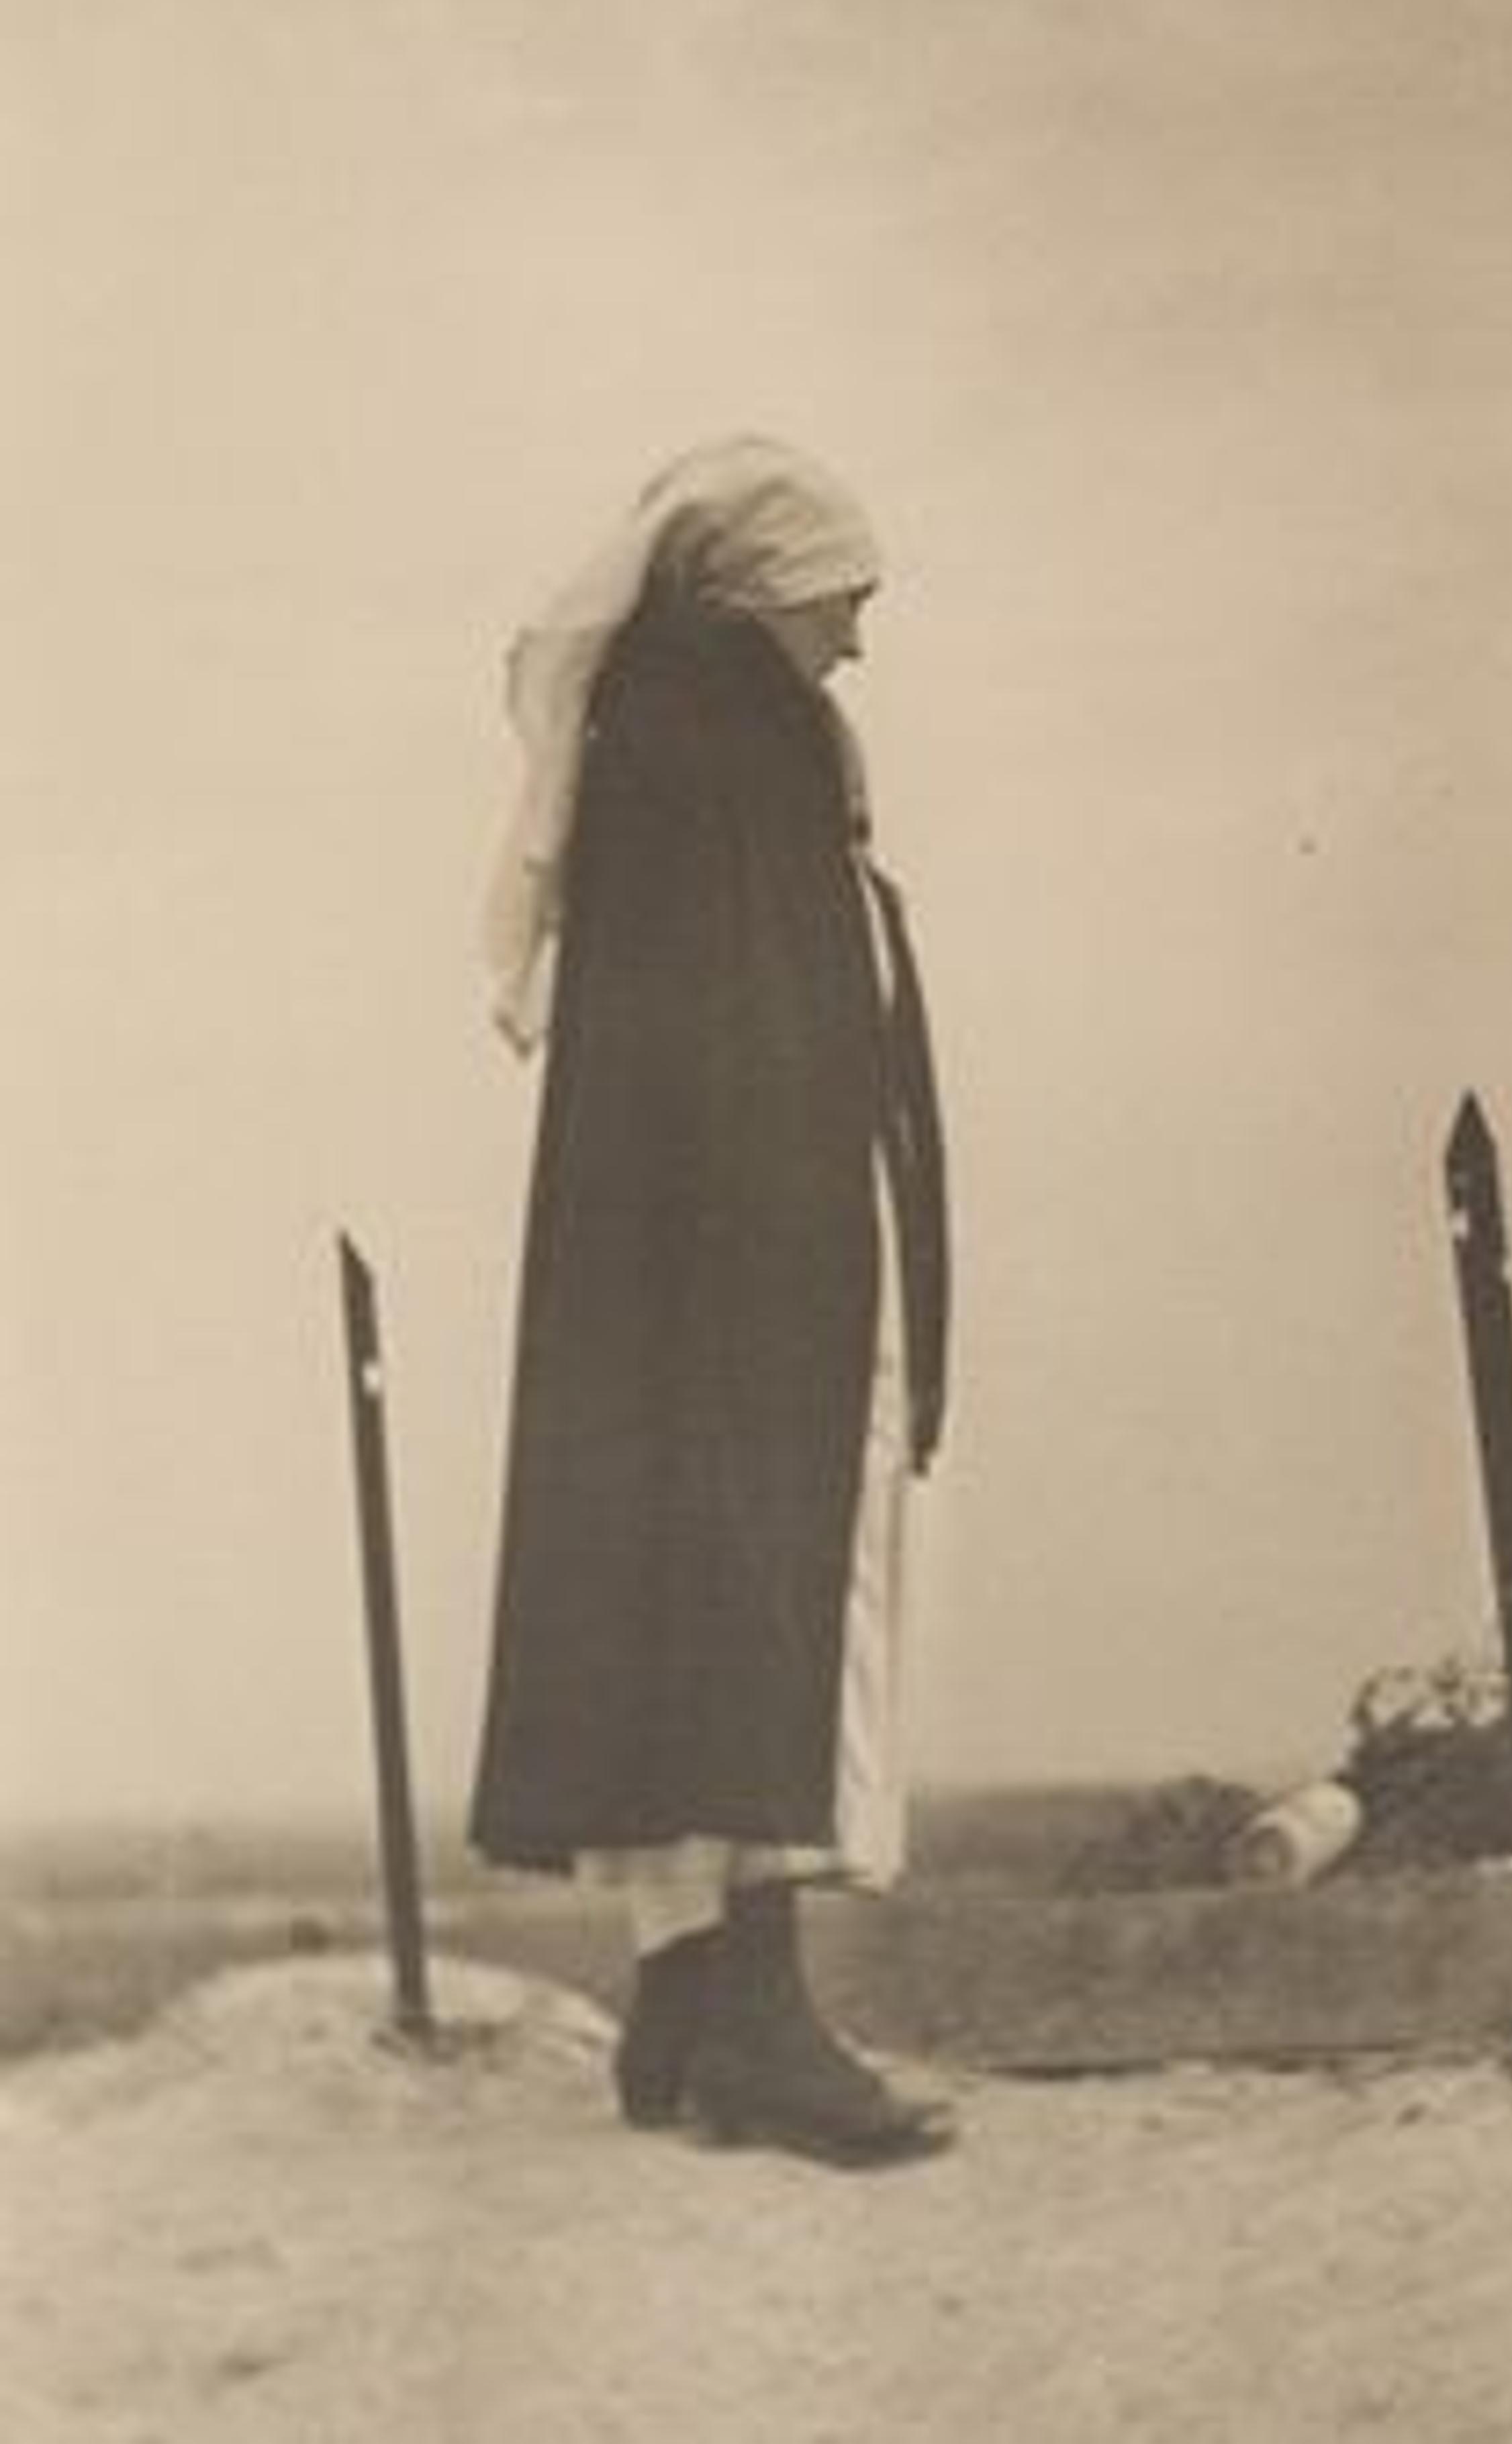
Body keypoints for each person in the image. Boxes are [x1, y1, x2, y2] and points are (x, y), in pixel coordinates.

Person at [469, 435, 955, 2164]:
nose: (862, 643)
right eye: (849, 601)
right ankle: (758, 2031)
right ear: (762, 590)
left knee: (693, 1581)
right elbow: (743, 1039)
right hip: (748, 1264)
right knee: (755, 1586)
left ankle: (685, 2012)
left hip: (702, 1262)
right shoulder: (722, 742)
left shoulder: (690, 733)